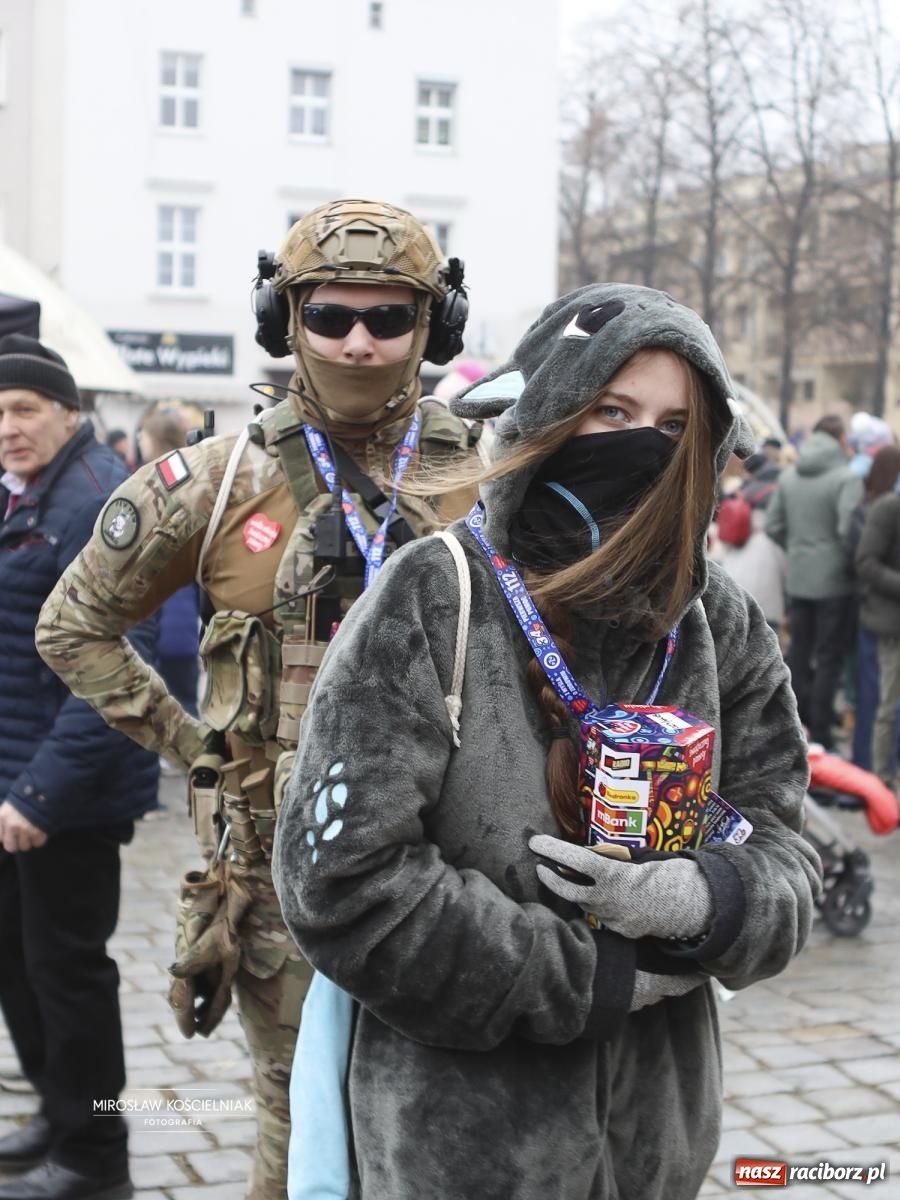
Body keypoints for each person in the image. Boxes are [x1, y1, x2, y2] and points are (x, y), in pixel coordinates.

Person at [271, 284, 822, 1200]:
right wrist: (586, 978)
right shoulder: (432, 598)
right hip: (460, 1152)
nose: (645, 443)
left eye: (675, 425)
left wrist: (703, 901)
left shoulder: (719, 620)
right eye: (612, 409)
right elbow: (340, 884)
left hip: (657, 1146)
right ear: (549, 413)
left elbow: (787, 847)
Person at [36, 199, 479, 1200]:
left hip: (457, 869)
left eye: (388, 317)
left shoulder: (488, 473)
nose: (359, 343)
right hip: (280, 879)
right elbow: (73, 625)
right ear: (285, 322)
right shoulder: (214, 479)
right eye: (329, 317)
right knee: (295, 1111)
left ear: (434, 325)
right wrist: (194, 747)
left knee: (448, 1110)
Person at [0, 334, 159, 1200]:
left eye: (24, 409)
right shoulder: (29, 496)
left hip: (67, 797)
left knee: (71, 980)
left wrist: (39, 791)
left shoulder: (95, 500)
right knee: (19, 966)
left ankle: (97, 1160)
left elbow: (121, 669)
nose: (9, 428)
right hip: (16, 782)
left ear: (68, 411)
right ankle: (59, 1117)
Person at [765, 415, 862, 748]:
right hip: (836, 583)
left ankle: (792, 724)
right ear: (840, 439)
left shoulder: (790, 476)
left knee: (798, 653)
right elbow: (847, 531)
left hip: (799, 577)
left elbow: (774, 526)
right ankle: (820, 732)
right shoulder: (846, 478)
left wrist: (799, 548)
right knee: (829, 657)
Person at [136, 403, 204, 725]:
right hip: (185, 621)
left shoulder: (151, 485)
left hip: (164, 621)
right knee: (186, 701)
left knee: (171, 702)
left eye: (143, 437)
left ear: (154, 441)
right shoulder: (194, 475)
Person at [846, 445, 900, 771]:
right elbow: (865, 561)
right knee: (880, 705)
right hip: (884, 623)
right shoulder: (887, 508)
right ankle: (875, 779)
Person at [716, 451, 787, 634]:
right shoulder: (776, 490)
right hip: (768, 559)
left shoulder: (739, 492)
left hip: (735, 561)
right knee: (766, 623)